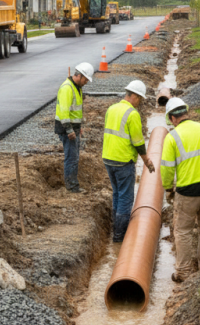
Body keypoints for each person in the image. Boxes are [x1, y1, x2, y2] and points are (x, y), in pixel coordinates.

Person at [160, 97, 200, 283]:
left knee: (183, 231)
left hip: (188, 191)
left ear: (172, 118)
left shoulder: (172, 137)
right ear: (186, 113)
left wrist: (168, 188)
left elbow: (167, 168)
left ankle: (183, 273)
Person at [102, 80, 156, 242]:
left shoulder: (111, 108)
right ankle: (120, 236)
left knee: (117, 194)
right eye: (140, 99)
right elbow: (138, 142)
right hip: (123, 160)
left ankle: (115, 230)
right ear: (135, 97)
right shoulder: (132, 114)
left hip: (108, 158)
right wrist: (146, 161)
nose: (140, 103)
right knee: (125, 198)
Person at [54, 62, 94, 193]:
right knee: (71, 158)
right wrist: (69, 130)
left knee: (74, 157)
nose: (86, 82)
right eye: (86, 79)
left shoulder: (76, 87)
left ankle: (73, 184)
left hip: (73, 128)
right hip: (67, 129)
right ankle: (72, 187)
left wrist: (78, 127)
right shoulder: (67, 88)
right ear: (79, 75)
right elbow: (64, 112)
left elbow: (74, 112)